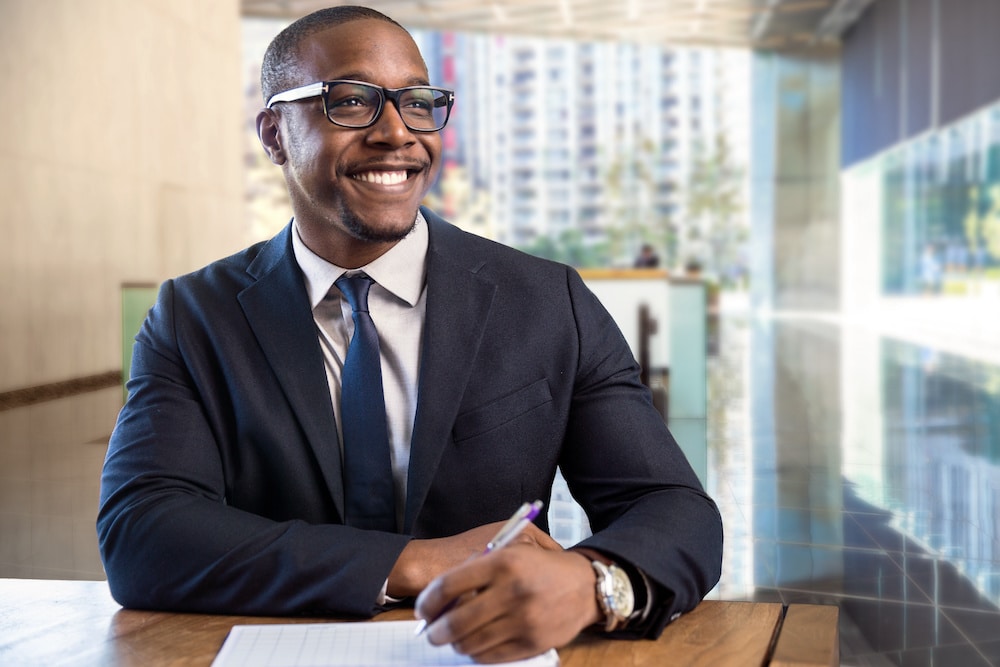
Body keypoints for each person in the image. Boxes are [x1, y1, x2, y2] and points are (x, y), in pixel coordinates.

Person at [97, 6, 723, 663]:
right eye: (351, 101)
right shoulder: (194, 315)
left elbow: (672, 508)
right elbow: (144, 532)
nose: (397, 132)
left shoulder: (545, 301)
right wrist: (412, 561)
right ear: (275, 134)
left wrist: (596, 581)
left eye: (419, 103)